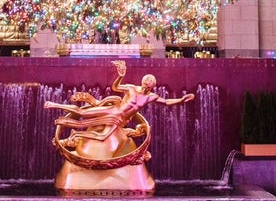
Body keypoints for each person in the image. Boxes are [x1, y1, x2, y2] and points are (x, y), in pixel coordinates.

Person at [45, 60, 194, 146]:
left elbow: (166, 102)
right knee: (82, 112)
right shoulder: (131, 88)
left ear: (153, 85)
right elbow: (115, 87)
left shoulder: (151, 97)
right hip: (114, 111)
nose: (148, 83)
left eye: (151, 81)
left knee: (103, 137)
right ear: (143, 81)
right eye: (147, 80)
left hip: (121, 120)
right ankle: (54, 104)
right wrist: (120, 76)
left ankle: (77, 133)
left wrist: (181, 100)